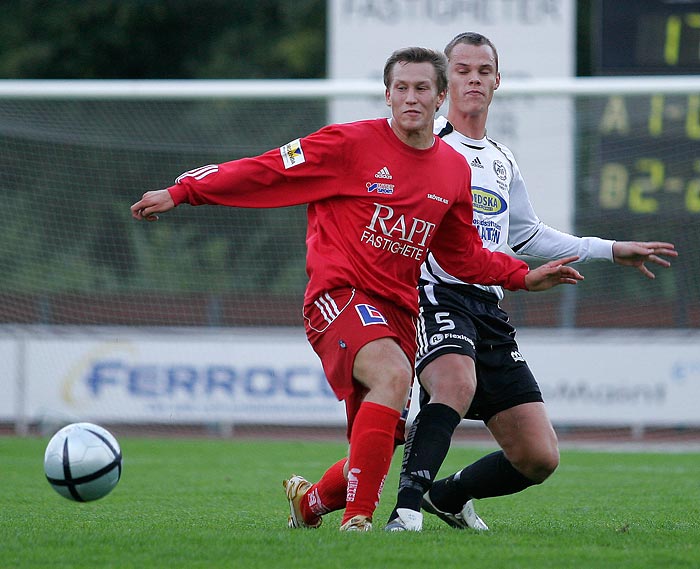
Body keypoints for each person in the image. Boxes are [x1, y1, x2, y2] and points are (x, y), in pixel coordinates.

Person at [131, 46, 584, 532]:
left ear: (439, 97)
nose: (411, 98)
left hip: (398, 313)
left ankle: (310, 504)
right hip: (338, 296)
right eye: (401, 88)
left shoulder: (452, 171)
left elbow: (462, 255)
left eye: (422, 88)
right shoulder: (348, 144)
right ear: (387, 94)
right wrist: (182, 192)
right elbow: (266, 171)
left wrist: (522, 276)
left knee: (381, 440)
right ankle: (360, 522)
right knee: (390, 376)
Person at [384, 32, 678, 532]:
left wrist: (609, 249)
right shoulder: (425, 146)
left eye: (483, 71)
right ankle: (404, 510)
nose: (473, 80)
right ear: (442, 82)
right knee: (453, 382)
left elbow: (528, 234)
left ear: (497, 81)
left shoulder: (501, 159)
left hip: (490, 306)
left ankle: (447, 496)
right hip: (436, 294)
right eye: (462, 70)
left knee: (538, 457)